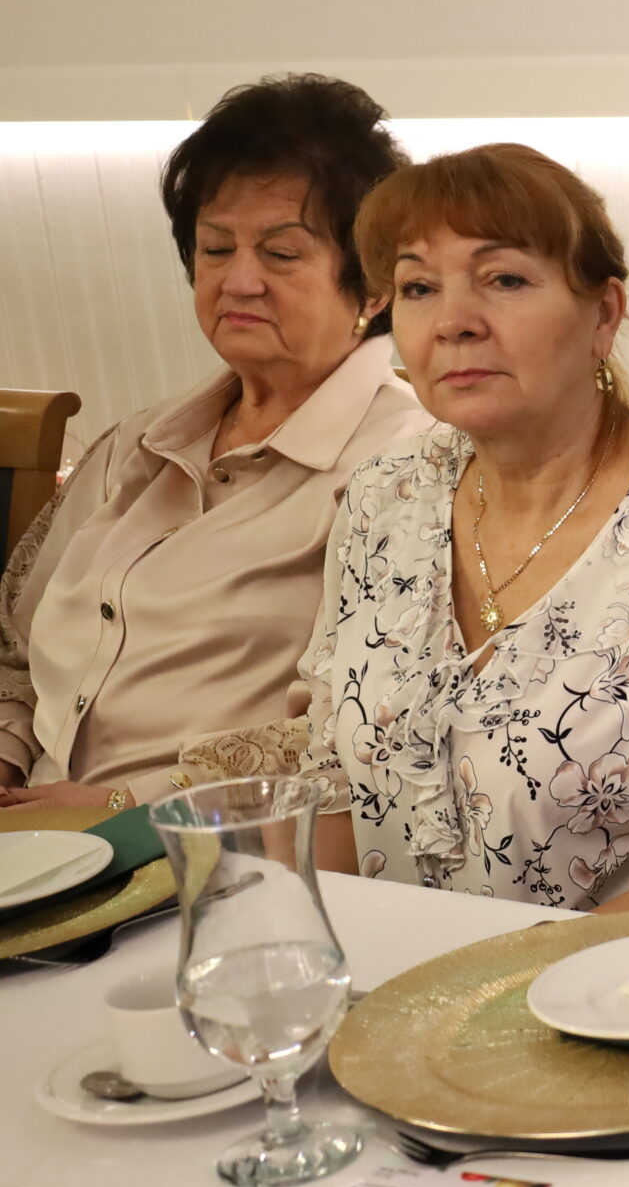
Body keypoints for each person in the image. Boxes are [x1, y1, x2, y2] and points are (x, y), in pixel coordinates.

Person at [295, 143, 629, 910]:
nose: (453, 323)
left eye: (504, 279)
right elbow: (332, 781)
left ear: (603, 314)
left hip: (620, 976)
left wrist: (489, 983)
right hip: (391, 967)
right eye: (418, 287)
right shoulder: (383, 496)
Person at [0, 74, 432, 812]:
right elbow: (14, 650)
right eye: (215, 248)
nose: (239, 280)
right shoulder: (133, 444)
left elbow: (370, 733)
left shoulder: (412, 465)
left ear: (372, 287)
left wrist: (123, 808)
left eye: (282, 253)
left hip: (221, 846)